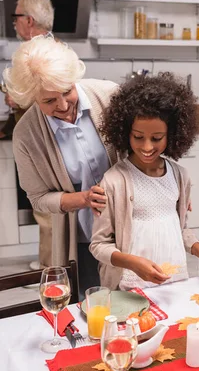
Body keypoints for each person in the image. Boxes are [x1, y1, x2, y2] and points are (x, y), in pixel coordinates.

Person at [3, 36, 119, 297]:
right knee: (91, 306)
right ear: (32, 98)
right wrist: (83, 198)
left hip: (132, 228)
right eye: (49, 101)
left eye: (67, 91)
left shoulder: (110, 96)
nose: (64, 106)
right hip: (83, 236)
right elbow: (38, 198)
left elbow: (149, 148)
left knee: (139, 304)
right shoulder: (26, 134)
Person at [90, 73, 199, 290]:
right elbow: (99, 245)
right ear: (125, 133)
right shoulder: (114, 181)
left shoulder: (180, 176)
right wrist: (133, 263)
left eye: (157, 138)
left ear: (172, 134)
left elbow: (179, 228)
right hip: (130, 284)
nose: (147, 147)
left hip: (174, 278)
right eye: (138, 137)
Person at [5, 0, 56, 270]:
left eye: (16, 17)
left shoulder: (40, 52)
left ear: (28, 20)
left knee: (45, 206)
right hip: (42, 138)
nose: (14, 23)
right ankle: (51, 264)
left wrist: (18, 98)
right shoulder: (47, 47)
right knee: (45, 206)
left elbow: (47, 95)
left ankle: (51, 271)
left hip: (43, 139)